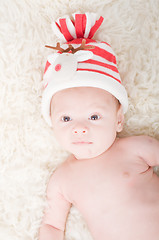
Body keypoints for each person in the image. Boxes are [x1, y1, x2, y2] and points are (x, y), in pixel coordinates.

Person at [39, 13, 159, 240]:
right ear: (51, 123)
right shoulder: (62, 179)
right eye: (66, 119)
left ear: (118, 120)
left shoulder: (137, 148)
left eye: (94, 116)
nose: (80, 128)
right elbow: (52, 227)